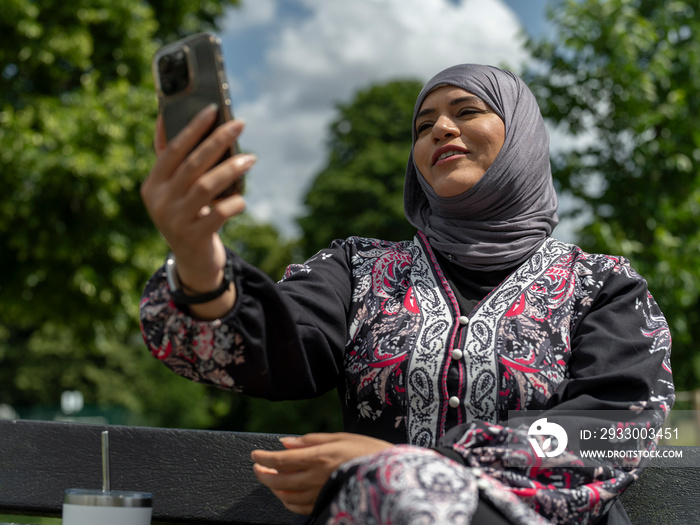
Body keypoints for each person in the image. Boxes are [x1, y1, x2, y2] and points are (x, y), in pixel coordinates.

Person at [139, 64, 674, 525]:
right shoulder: (361, 269)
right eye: (424, 125)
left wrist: (409, 467)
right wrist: (197, 257)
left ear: (522, 137)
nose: (441, 128)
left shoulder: (603, 285)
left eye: (467, 111)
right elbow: (272, 345)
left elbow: (616, 431)